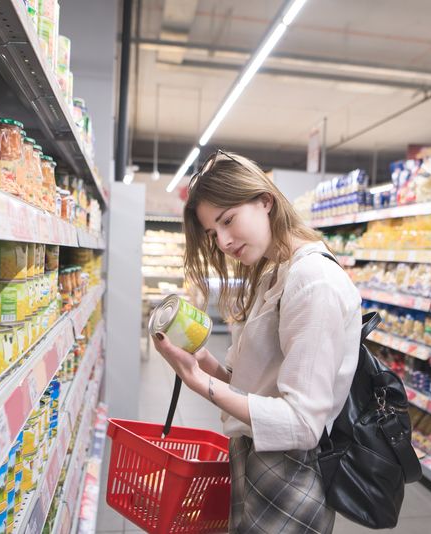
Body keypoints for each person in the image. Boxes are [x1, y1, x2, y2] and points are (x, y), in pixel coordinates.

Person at [152, 150, 362, 533]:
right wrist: (203, 363)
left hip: (290, 473)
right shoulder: (273, 273)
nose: (224, 242)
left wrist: (201, 384)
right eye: (214, 233)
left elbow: (302, 424)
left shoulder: (313, 281)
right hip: (254, 453)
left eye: (228, 220)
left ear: (265, 200)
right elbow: (256, 385)